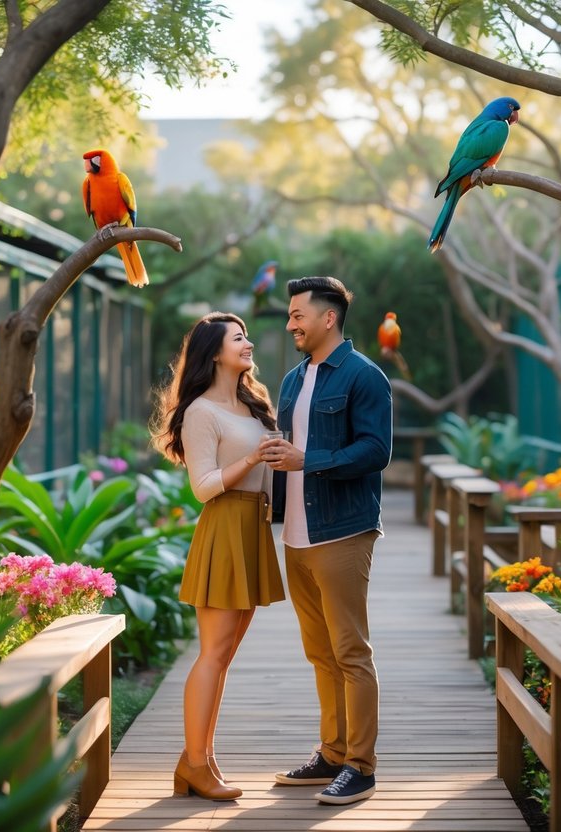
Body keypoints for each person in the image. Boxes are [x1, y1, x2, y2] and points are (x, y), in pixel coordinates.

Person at [260, 276, 392, 806]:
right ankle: (333, 753)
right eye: (290, 316)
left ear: (328, 318)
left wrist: (306, 461)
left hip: (342, 530)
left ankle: (361, 766)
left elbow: (375, 451)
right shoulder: (293, 379)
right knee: (319, 653)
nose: (291, 323)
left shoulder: (365, 376)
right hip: (295, 534)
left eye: (297, 315)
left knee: (350, 650)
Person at [152, 311, 286, 801]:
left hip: (253, 526)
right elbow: (203, 487)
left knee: (224, 655)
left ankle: (201, 760)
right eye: (238, 338)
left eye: (247, 335)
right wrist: (252, 458)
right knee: (213, 653)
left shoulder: (252, 406)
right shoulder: (201, 413)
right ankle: (194, 762)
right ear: (214, 352)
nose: (248, 343)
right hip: (225, 524)